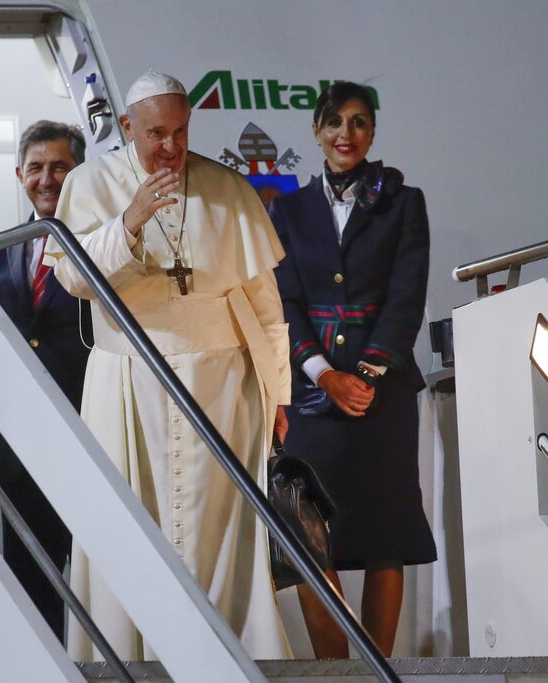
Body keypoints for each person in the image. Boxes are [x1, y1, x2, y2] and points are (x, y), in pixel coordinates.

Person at [46, 71, 292, 660]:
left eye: (181, 131)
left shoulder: (227, 187)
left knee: (222, 532)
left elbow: (264, 301)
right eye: (157, 133)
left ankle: (229, 656)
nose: (172, 147)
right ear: (127, 127)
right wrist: (129, 222)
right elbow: (74, 279)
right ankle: (133, 657)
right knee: (131, 527)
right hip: (129, 380)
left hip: (225, 384)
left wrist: (278, 392)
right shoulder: (89, 182)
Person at [268, 81, 437, 658]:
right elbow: (283, 303)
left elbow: (407, 297)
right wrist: (323, 374)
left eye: (360, 122)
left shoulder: (403, 202)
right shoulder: (286, 210)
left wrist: (365, 372)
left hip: (382, 394)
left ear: (372, 133)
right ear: (317, 130)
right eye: (336, 122)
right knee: (310, 538)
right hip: (313, 396)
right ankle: (336, 672)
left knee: (387, 534)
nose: (347, 134)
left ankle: (378, 669)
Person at [0, 120, 91, 641]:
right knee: (32, 583)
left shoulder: (105, 242)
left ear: (80, 172)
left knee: (97, 585)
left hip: (93, 436)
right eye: (37, 168)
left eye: (60, 167)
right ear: (20, 174)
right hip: (21, 446)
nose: (48, 179)